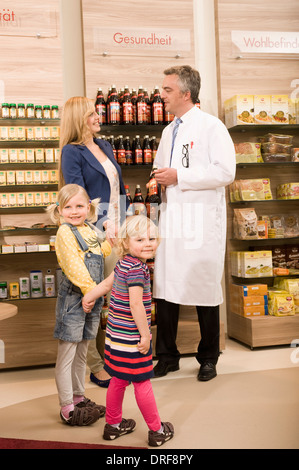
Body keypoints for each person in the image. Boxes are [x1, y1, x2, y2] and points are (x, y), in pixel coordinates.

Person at [152, 65, 236, 381]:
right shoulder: (168, 130)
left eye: (167, 90)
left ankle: (208, 357)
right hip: (173, 220)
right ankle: (167, 356)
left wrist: (180, 176)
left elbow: (226, 172)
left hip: (201, 222)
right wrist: (158, 176)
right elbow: (163, 166)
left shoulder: (211, 127)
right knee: (165, 286)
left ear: (186, 94)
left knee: (203, 287)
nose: (162, 95)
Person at [82, 215, 174, 447]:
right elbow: (136, 305)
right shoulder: (137, 269)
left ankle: (113, 425)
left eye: (152, 238)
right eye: (140, 239)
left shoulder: (123, 263)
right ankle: (157, 430)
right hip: (133, 338)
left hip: (115, 337)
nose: (148, 243)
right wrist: (145, 335)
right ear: (125, 242)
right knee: (142, 382)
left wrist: (89, 296)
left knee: (119, 379)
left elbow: (105, 285)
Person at [59, 96, 129, 388]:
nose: (98, 116)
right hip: (94, 234)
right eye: (91, 114)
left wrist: (124, 222)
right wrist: (104, 223)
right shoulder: (71, 152)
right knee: (95, 299)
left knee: (118, 299)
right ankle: (97, 366)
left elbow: (118, 189)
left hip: (117, 229)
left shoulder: (105, 146)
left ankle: (117, 359)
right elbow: (79, 195)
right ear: (79, 120)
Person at [47, 184, 112, 425]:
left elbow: (98, 252)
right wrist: (89, 293)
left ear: (89, 207)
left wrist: (111, 243)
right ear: (59, 210)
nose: (74, 211)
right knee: (67, 354)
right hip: (76, 299)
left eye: (79, 206)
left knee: (83, 351)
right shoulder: (65, 233)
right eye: (68, 207)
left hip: (91, 297)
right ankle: (66, 406)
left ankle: (79, 397)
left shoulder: (89, 229)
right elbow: (75, 266)